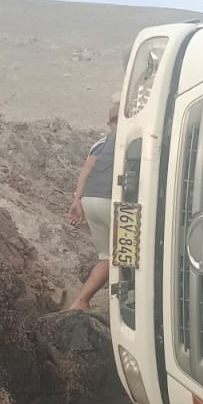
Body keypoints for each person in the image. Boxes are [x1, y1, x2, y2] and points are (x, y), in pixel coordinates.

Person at [68, 100, 118, 311]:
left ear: (108, 123)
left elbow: (86, 170)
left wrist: (77, 201)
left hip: (90, 200)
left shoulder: (100, 143)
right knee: (129, 255)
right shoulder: (134, 138)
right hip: (115, 203)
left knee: (108, 256)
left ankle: (81, 301)